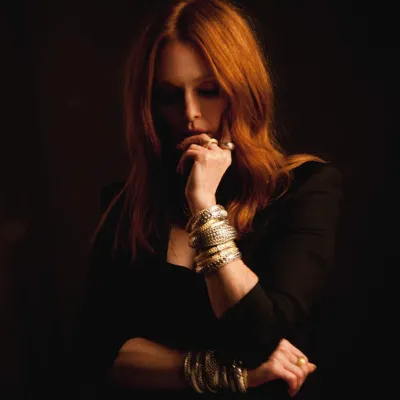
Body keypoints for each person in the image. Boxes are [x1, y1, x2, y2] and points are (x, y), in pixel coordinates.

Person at [71, 0, 342, 399]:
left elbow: (260, 337)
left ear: (243, 90)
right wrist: (223, 372)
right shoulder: (128, 205)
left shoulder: (303, 189)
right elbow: (97, 356)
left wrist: (203, 204)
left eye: (209, 91)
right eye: (168, 96)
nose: (190, 114)